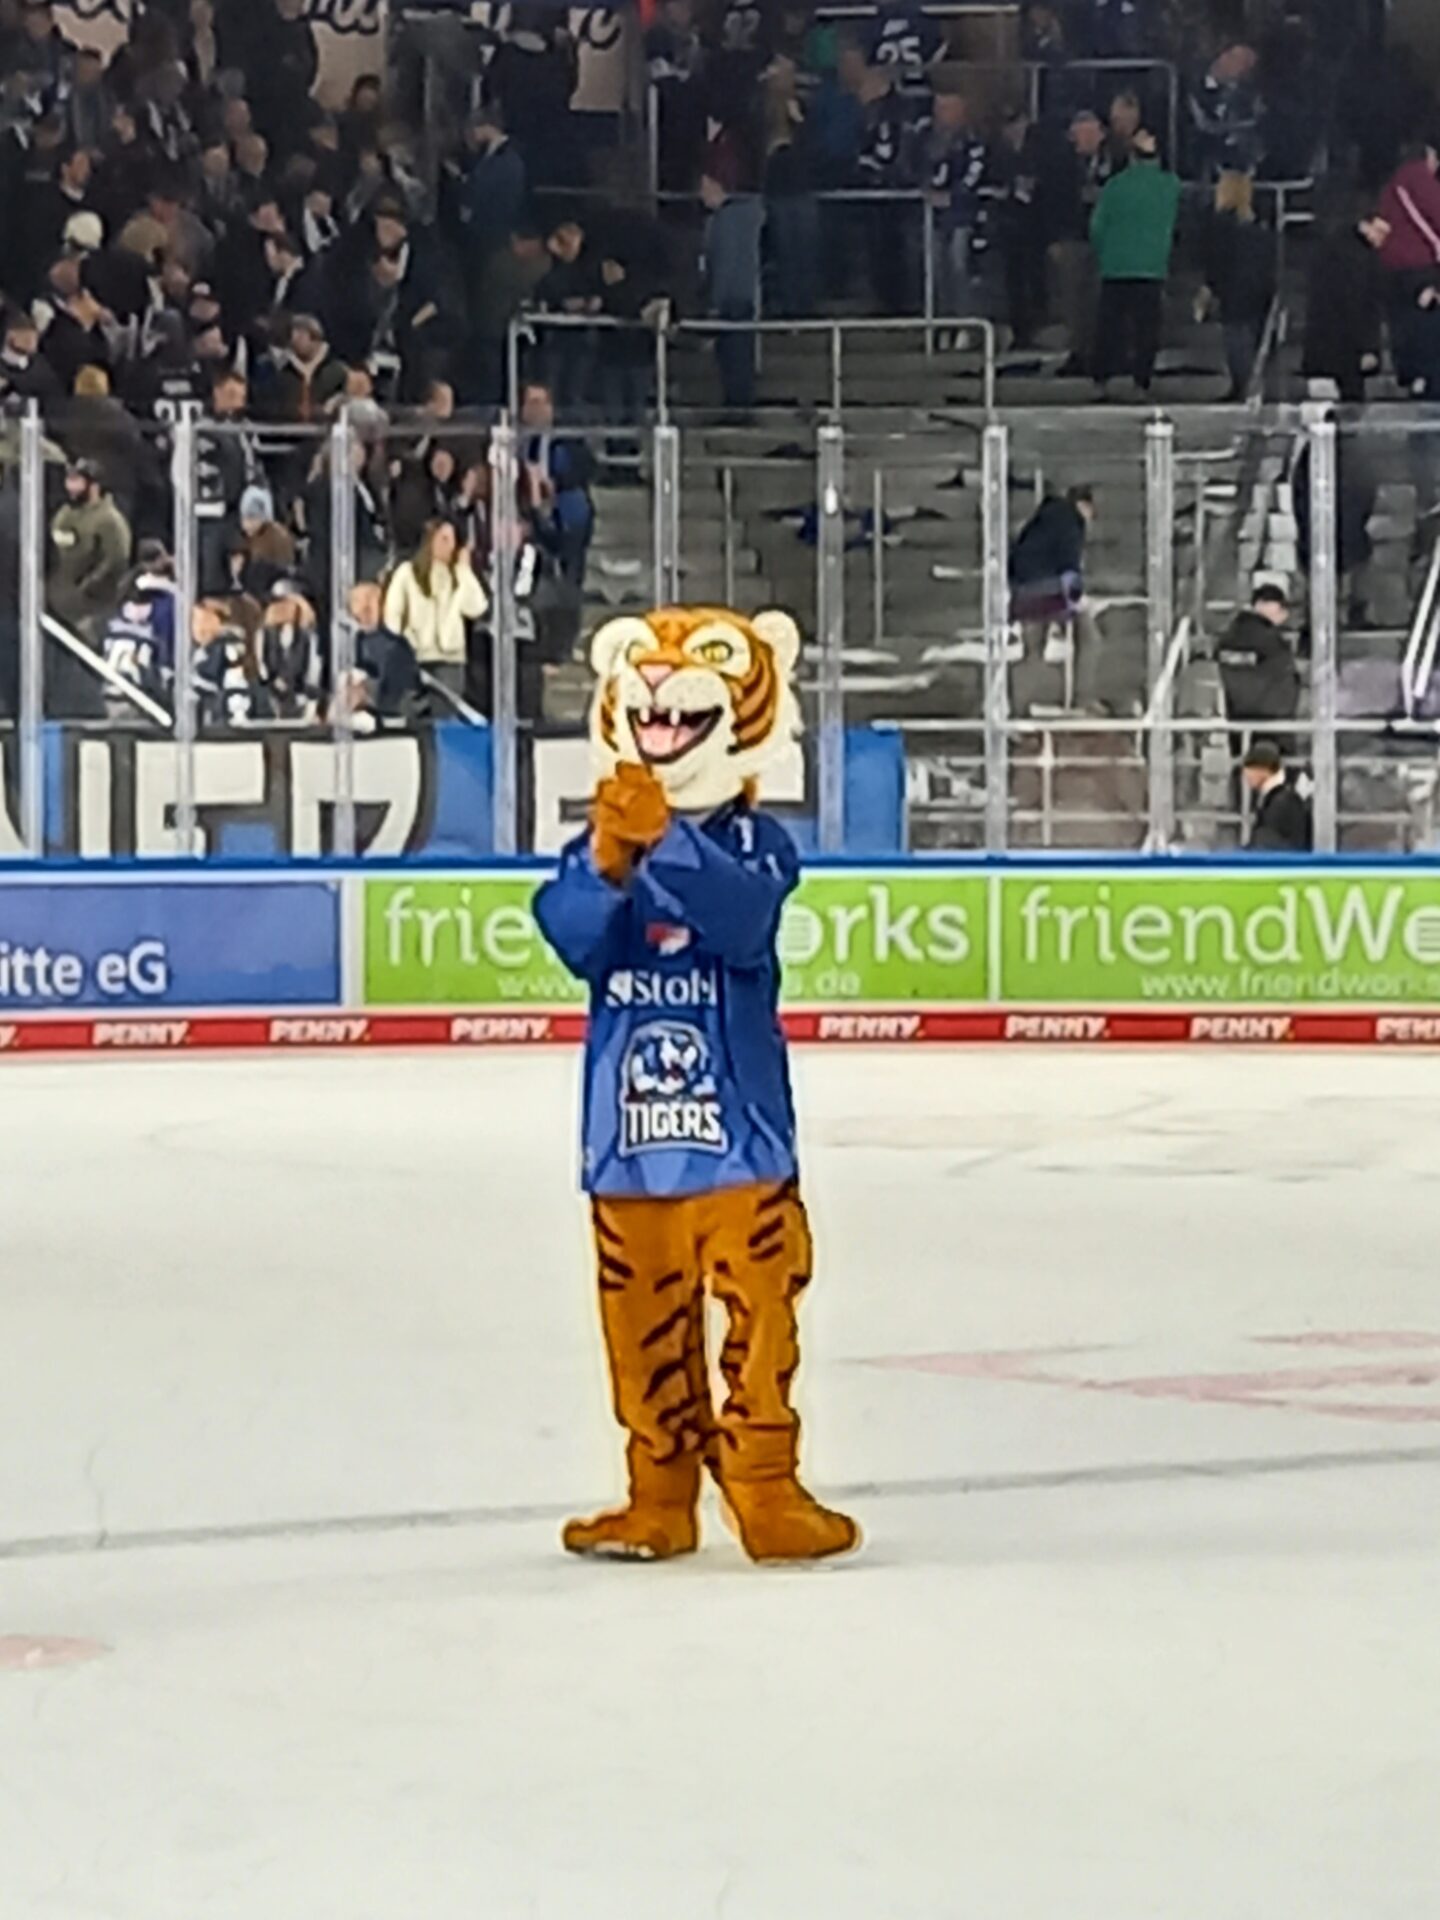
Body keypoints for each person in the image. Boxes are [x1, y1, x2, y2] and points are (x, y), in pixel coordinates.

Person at [532, 604, 858, 1565]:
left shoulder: (759, 843)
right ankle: (658, 1496)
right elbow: (572, 937)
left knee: (759, 1329)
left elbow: (742, 921)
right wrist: (608, 863)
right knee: (641, 1335)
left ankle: (766, 1490)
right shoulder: (598, 845)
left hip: (740, 1149)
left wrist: (667, 841)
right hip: (627, 1149)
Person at [1090, 129, 1180, 393]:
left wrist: (1103, 253)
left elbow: (1096, 227)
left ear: (1132, 156)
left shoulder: (1115, 186)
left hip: (1115, 265)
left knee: (1109, 326)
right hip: (1152, 267)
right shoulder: (1169, 186)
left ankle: (1101, 379)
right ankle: (1141, 381)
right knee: (1146, 328)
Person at [1009, 483, 1099, 710]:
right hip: (1052, 591)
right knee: (1090, 638)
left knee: (1033, 652)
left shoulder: (1039, 519)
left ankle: (1017, 708)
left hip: (1024, 592)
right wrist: (1076, 599)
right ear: (1085, 506)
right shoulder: (1072, 521)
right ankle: (1083, 698)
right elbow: (1069, 564)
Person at [382, 516, 487, 697]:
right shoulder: (407, 572)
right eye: (444, 539)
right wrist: (403, 644)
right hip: (416, 657)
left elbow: (477, 607)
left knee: (446, 708)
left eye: (453, 540)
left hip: (451, 659)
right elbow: (392, 613)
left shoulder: (457, 575)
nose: (449, 545)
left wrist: (465, 569)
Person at [1199, 171, 1275, 401]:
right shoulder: (1259, 227)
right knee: (1249, 341)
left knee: (1236, 341)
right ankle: (1247, 386)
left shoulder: (1221, 225)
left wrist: (1210, 288)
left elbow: (1216, 260)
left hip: (1234, 290)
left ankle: (1242, 387)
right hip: (1256, 291)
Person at [1302, 214, 1388, 403]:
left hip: (1324, 347)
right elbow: (1366, 307)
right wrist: (1369, 348)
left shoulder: (1330, 250)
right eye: (1380, 232)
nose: (1383, 239)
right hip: (1348, 348)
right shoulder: (1363, 260)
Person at [48, 458, 132, 640]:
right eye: (68, 480)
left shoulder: (110, 520)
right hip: (54, 610)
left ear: (93, 485)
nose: (70, 487)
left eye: (76, 481)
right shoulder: (63, 514)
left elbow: (115, 562)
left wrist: (85, 589)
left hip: (90, 614)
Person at [1217, 585, 1300, 733]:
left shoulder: (1231, 634)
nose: (1284, 612)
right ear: (1260, 604)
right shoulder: (1267, 638)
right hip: (1271, 715)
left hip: (1235, 713)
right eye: (1280, 605)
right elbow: (1283, 668)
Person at [1243, 739, 1312, 851]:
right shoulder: (1281, 800)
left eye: (1251, 767)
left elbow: (1265, 848)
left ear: (1265, 769)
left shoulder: (1281, 803)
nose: (1246, 773)